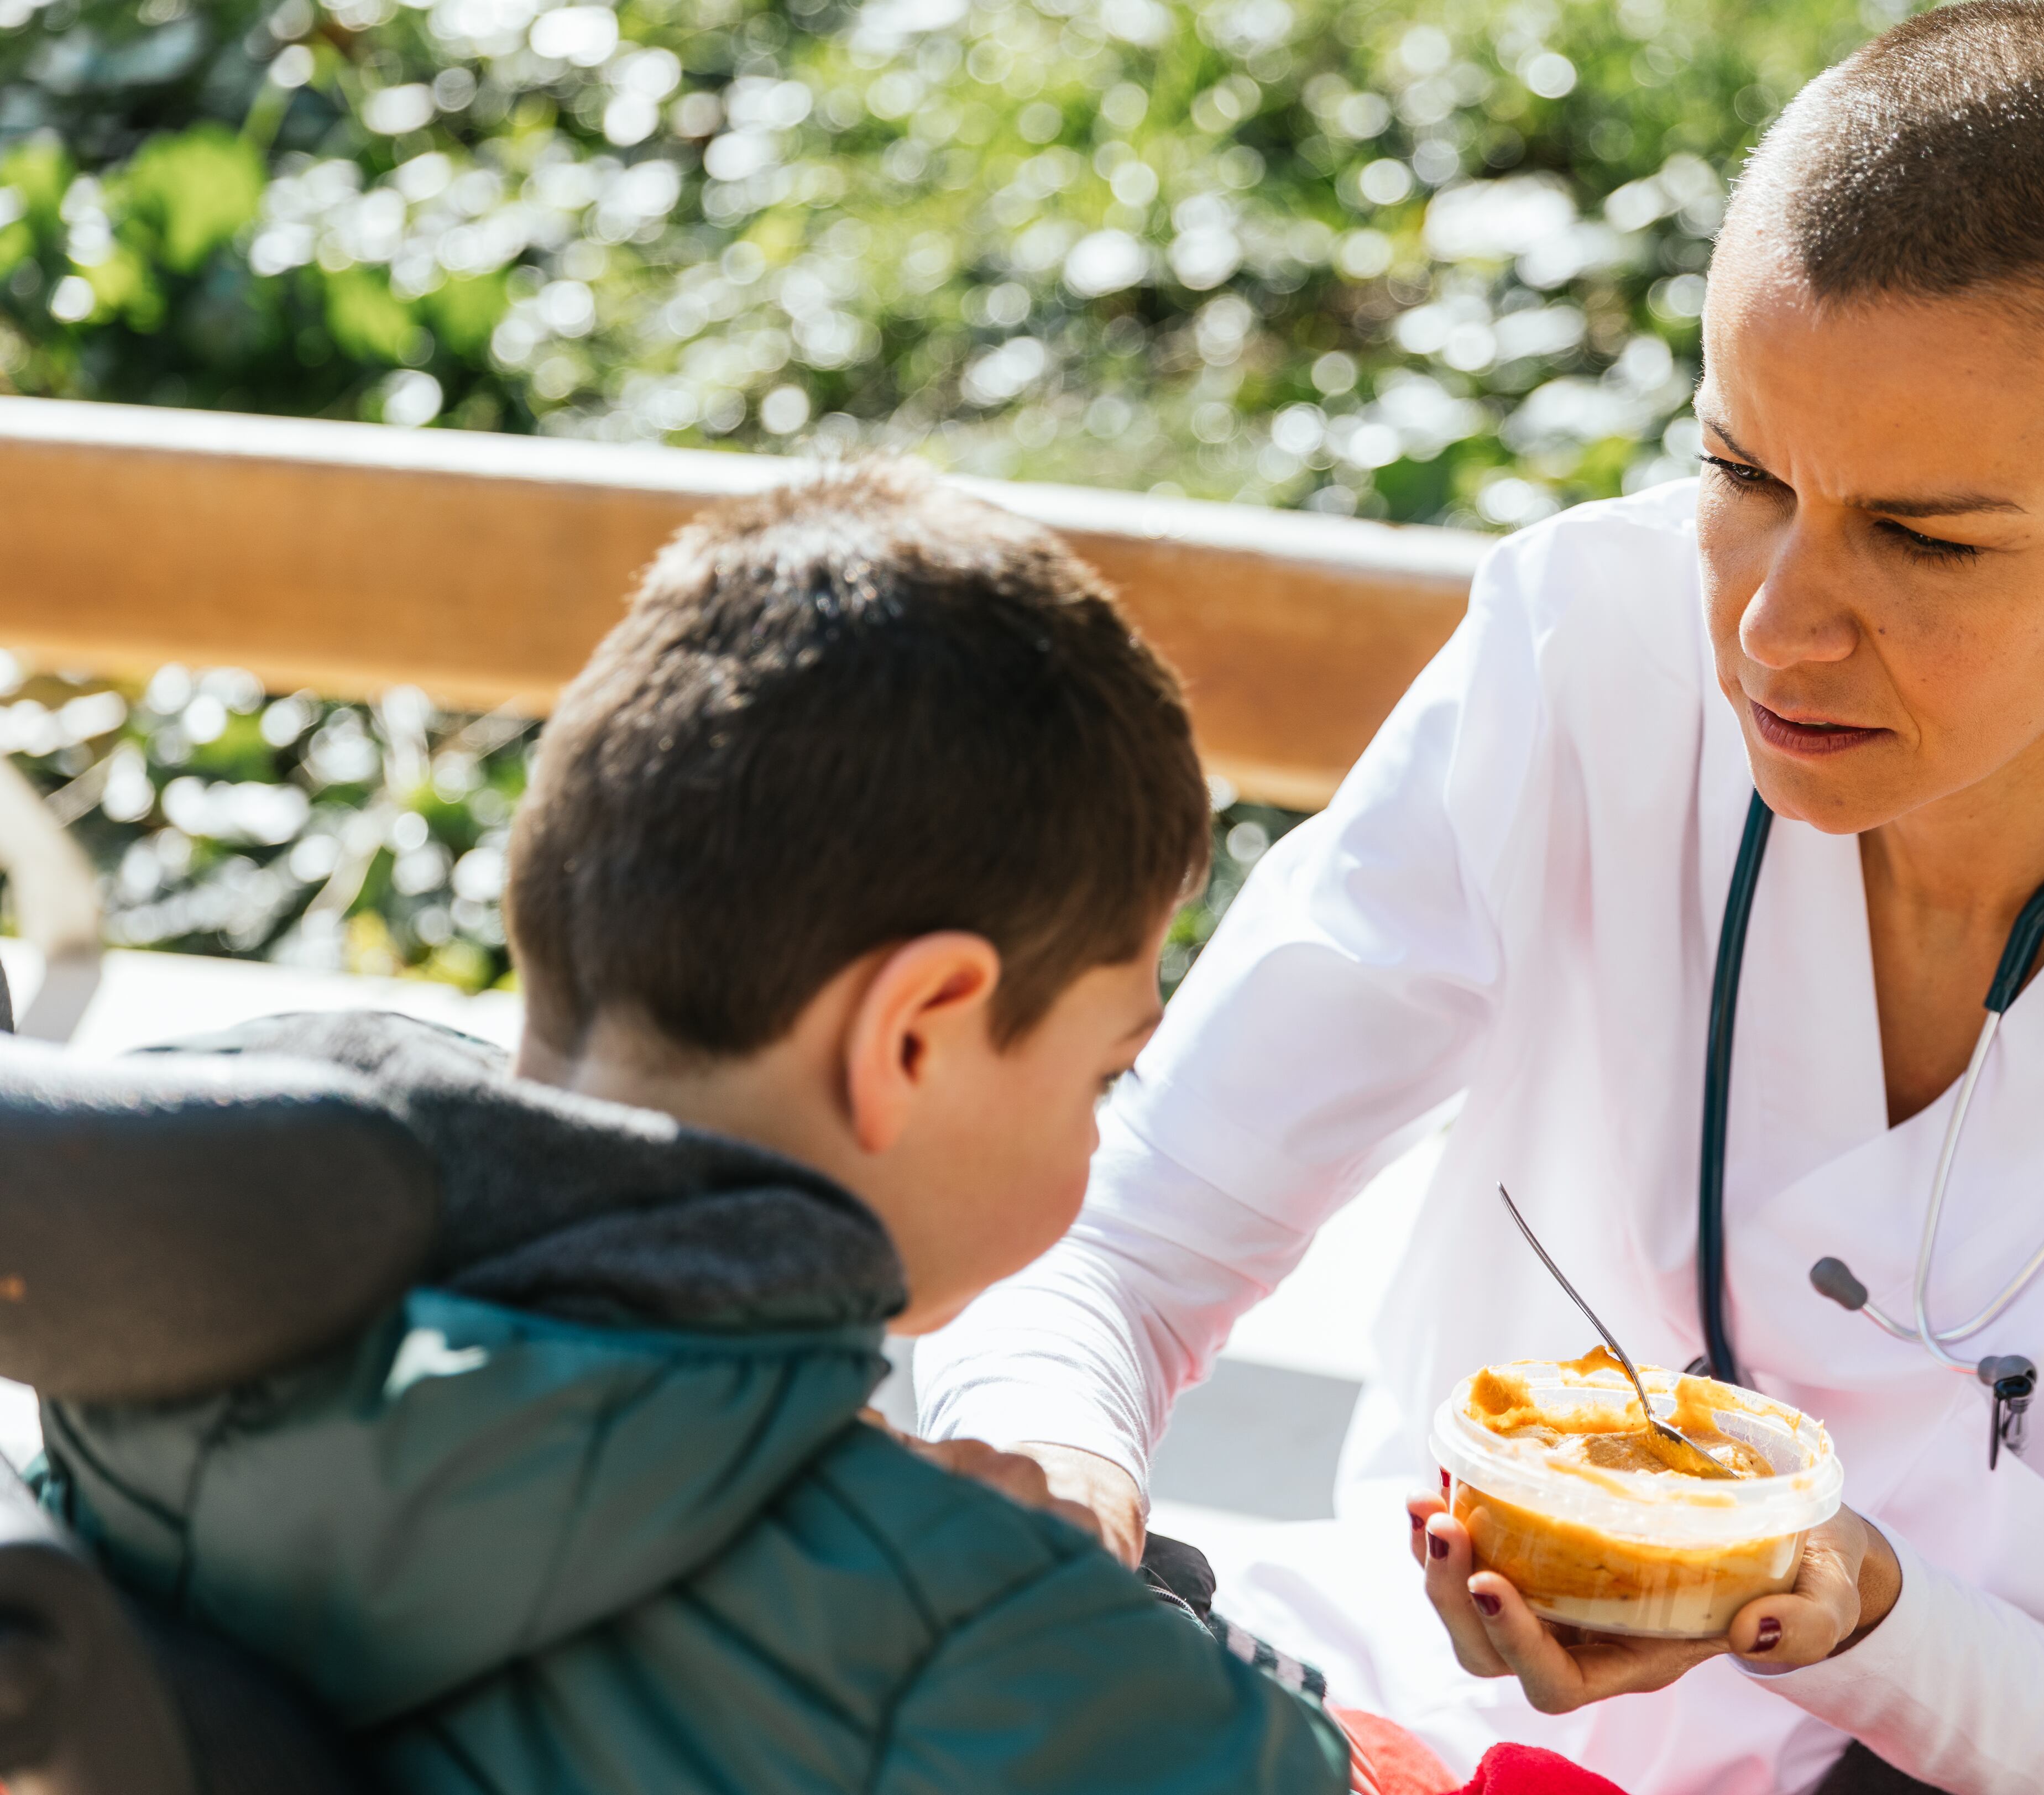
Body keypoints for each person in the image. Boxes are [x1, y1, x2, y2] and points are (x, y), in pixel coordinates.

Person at [908, 7, 2044, 1793]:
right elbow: (1121, 1241)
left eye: (1928, 538)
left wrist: (1871, 1617)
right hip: (1414, 1712)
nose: (1775, 624)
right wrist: (1064, 1476)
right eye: (1740, 473)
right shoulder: (1591, 652)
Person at [31, 468, 1353, 1793]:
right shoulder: (983, 1655)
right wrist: (1018, 1592)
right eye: (1102, 1076)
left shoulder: (160, 1331)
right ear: (914, 1033)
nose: (1098, 1131)